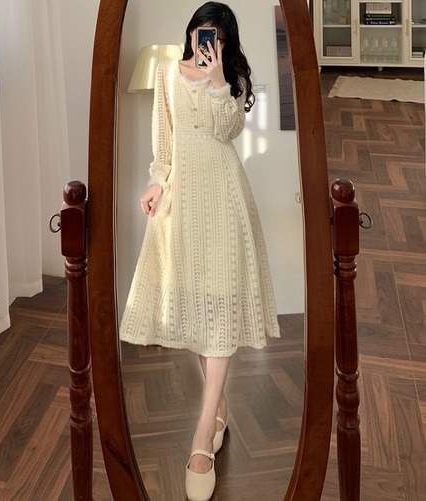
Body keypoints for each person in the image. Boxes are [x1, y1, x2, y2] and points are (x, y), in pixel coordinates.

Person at [120, 2, 280, 500]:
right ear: (190, 33)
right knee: (194, 305)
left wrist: (217, 81)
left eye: (217, 36)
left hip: (224, 196)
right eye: (201, 32)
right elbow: (163, 144)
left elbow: (228, 131)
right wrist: (155, 182)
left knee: (221, 307)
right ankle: (219, 409)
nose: (206, 42)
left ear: (225, 43)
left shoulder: (232, 83)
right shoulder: (168, 72)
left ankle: (201, 438)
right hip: (182, 201)